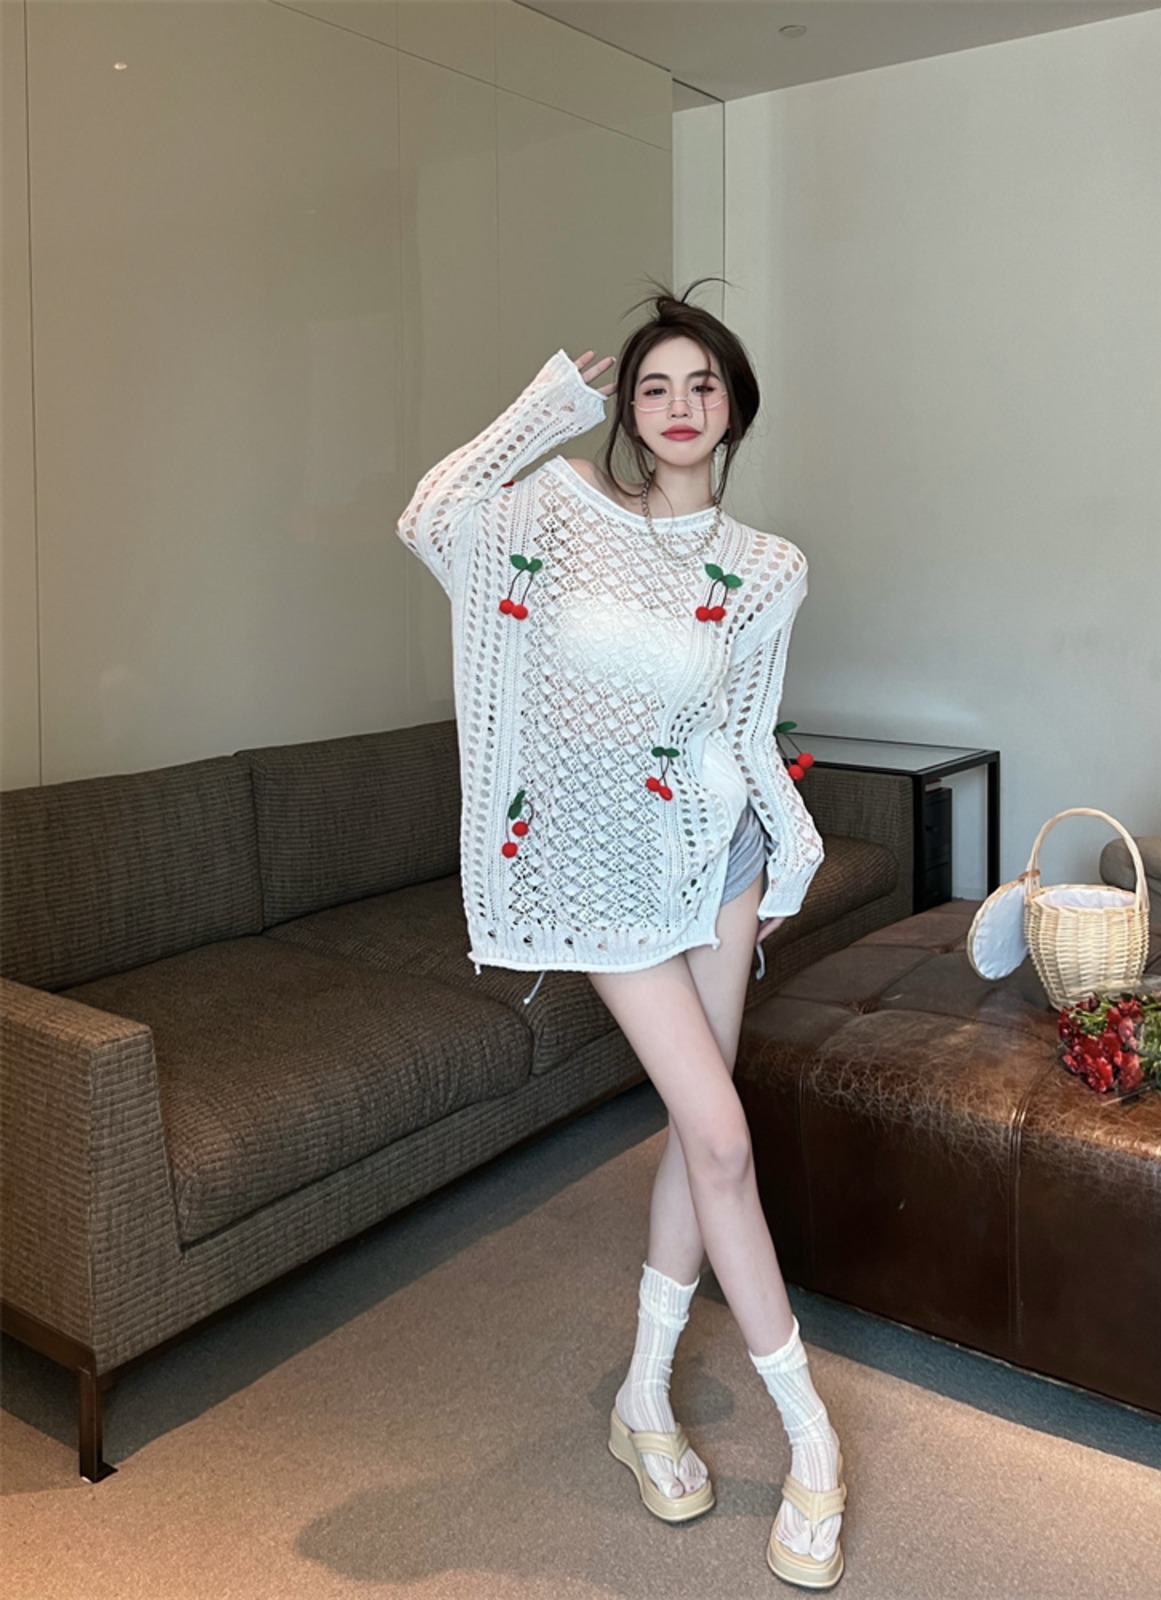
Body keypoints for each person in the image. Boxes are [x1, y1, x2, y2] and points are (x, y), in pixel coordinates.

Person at [396, 281, 846, 1589]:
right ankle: (813, 1439)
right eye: (656, 388)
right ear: (630, 414)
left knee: (699, 1141)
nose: (680, 405)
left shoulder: (767, 567)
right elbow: (431, 516)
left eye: (703, 385)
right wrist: (545, 408)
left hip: (720, 862)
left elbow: (741, 733)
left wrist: (786, 852)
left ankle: (643, 1396)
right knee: (723, 1137)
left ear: (734, 408)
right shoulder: (558, 515)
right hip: (603, 883)